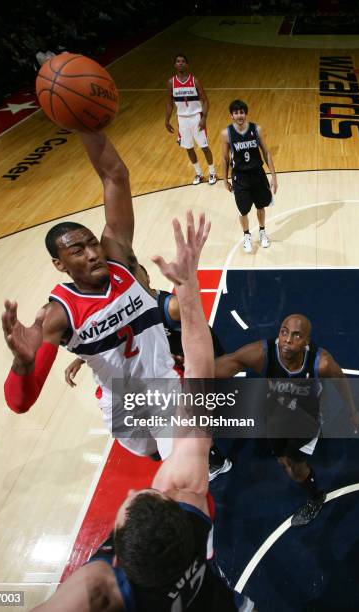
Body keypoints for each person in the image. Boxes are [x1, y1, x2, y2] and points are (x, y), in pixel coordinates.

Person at [31, 212, 255, 612]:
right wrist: (189, 287)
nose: (136, 488)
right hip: (156, 395)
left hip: (164, 386)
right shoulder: (191, 503)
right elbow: (196, 363)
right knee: (186, 434)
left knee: (209, 391)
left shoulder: (109, 589)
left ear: (118, 558)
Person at [2, 130, 179, 460]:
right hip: (120, 401)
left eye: (92, 243)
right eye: (77, 251)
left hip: (163, 388)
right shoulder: (57, 315)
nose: (93, 253)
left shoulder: (121, 261)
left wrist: (84, 124)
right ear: (59, 264)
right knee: (153, 453)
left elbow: (116, 176)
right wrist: (22, 364)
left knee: (182, 469)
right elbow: (20, 403)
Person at [64, 263, 232, 481]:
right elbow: (116, 340)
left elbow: (203, 334)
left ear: (147, 278)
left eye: (135, 281)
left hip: (181, 368)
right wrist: (81, 358)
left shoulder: (170, 307)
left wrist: (206, 363)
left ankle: (216, 460)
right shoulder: (124, 310)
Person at [215, 314, 359, 526]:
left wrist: (352, 411)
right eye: (284, 332)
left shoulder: (321, 364)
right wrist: (188, 375)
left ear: (306, 342)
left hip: (306, 421)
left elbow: (340, 381)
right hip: (275, 414)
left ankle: (315, 497)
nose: (287, 339)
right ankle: (289, 461)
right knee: (282, 459)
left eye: (296, 335)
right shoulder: (262, 354)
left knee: (294, 466)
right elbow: (228, 363)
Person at [221, 99, 278, 254]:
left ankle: (262, 231)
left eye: (242, 112)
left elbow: (266, 153)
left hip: (257, 174)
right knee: (243, 210)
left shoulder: (256, 129)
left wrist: (273, 176)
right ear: (231, 115)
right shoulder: (226, 134)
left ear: (245, 113)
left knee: (261, 206)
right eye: (236, 113)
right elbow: (225, 158)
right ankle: (246, 236)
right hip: (240, 176)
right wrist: (225, 180)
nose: (240, 115)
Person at [165, 54, 217, 186]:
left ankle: (212, 172)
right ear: (175, 65)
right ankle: (199, 174)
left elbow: (205, 100)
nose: (180, 63)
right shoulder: (171, 82)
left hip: (196, 117)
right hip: (182, 119)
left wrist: (204, 117)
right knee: (188, 148)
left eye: (183, 61)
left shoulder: (194, 81)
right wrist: (166, 120)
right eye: (178, 61)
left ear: (187, 65)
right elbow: (169, 103)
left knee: (204, 146)